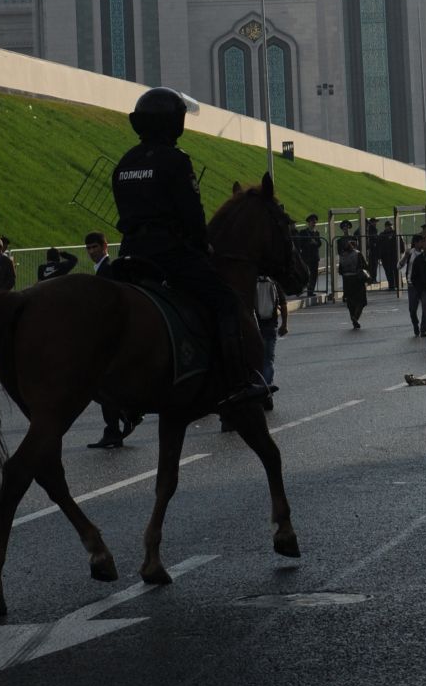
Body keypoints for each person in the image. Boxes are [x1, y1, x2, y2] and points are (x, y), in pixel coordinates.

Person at [110, 85, 262, 410]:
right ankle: (237, 381)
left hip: (130, 253)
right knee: (224, 301)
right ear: (172, 123)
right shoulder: (175, 161)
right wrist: (201, 245)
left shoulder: (125, 162)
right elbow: (192, 215)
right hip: (169, 253)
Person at [84, 232, 134, 448]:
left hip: (111, 335)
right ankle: (118, 423)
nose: (91, 252)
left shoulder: (108, 269)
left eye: (95, 247)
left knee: (102, 384)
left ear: (105, 246)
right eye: (88, 248)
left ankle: (120, 421)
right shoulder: (102, 269)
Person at [255, 275, 287, 403]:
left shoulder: (252, 281)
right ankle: (267, 392)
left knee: (254, 360)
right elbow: (283, 304)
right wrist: (284, 324)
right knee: (268, 361)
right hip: (270, 325)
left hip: (254, 326)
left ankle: (256, 388)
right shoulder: (274, 281)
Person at [337, 238, 370, 329]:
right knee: (361, 301)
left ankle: (353, 317)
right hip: (357, 280)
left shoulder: (342, 256)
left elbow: (340, 270)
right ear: (354, 246)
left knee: (350, 302)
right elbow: (364, 266)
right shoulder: (357, 254)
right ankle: (355, 317)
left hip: (347, 281)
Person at [297, 215, 322, 304]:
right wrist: (309, 243)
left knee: (314, 274)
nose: (314, 224)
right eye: (312, 222)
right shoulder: (303, 232)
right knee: (305, 273)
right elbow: (300, 244)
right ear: (309, 223)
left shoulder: (317, 233)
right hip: (306, 256)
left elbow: (319, 243)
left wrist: (315, 243)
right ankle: (300, 290)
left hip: (314, 256)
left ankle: (310, 291)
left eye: (315, 222)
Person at [375, 220, 401, 294]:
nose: (390, 227)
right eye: (388, 226)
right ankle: (391, 285)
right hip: (385, 256)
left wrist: (401, 251)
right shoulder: (382, 235)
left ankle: (398, 284)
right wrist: (379, 256)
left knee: (396, 270)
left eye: (391, 225)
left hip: (395, 255)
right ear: (386, 227)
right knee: (388, 271)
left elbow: (401, 243)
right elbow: (378, 246)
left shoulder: (396, 233)